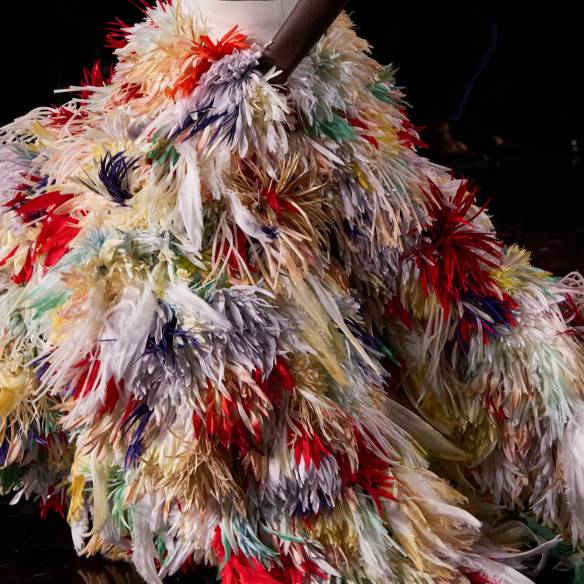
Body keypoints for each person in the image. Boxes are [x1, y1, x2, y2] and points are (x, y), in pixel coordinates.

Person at [0, 1, 582, 583]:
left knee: (270, 306)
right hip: (181, 67)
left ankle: (291, 504)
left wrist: (266, 74)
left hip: (267, 85)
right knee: (146, 295)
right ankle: (180, 507)